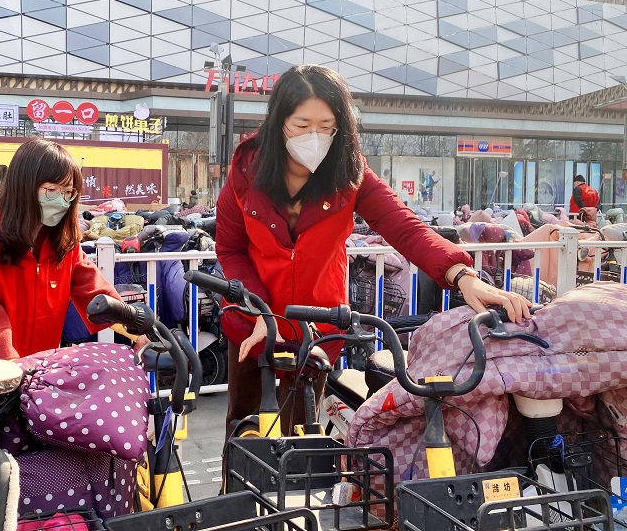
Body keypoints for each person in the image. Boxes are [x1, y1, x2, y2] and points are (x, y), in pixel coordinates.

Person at [216, 64, 531, 435]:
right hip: (253, 322)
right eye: (302, 125)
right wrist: (259, 310)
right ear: (278, 122)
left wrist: (462, 274)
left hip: (317, 325)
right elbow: (231, 250)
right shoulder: (246, 173)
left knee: (300, 437)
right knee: (243, 427)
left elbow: (404, 226)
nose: (314, 137)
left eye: (327, 126)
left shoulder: (350, 173)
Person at [0, 139, 133, 383]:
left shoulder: (61, 242)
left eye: (68, 192)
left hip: (26, 372)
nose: (61, 200)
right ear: (23, 187)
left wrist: (139, 327)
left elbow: (95, 292)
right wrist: (17, 378)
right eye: (51, 190)